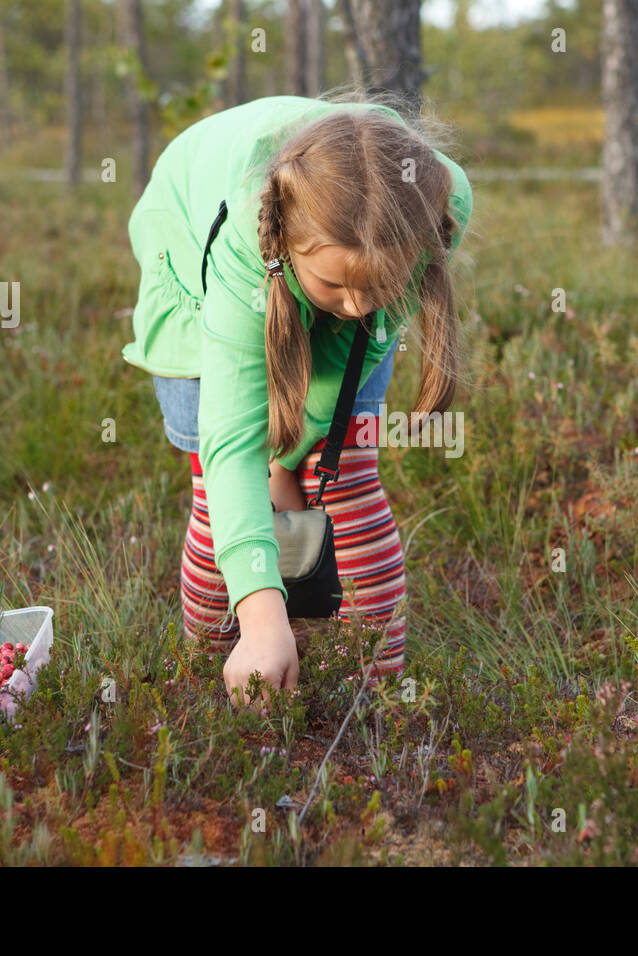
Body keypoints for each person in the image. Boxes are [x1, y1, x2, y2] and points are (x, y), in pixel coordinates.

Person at [122, 92, 473, 708]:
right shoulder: (242, 247)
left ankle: (377, 695)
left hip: (319, 253)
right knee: (221, 493)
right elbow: (234, 446)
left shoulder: (438, 198)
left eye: (380, 285)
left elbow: (349, 345)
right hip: (197, 257)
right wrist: (263, 621)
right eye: (337, 283)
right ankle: (224, 679)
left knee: (346, 476)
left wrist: (291, 462)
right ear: (285, 245)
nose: (362, 307)